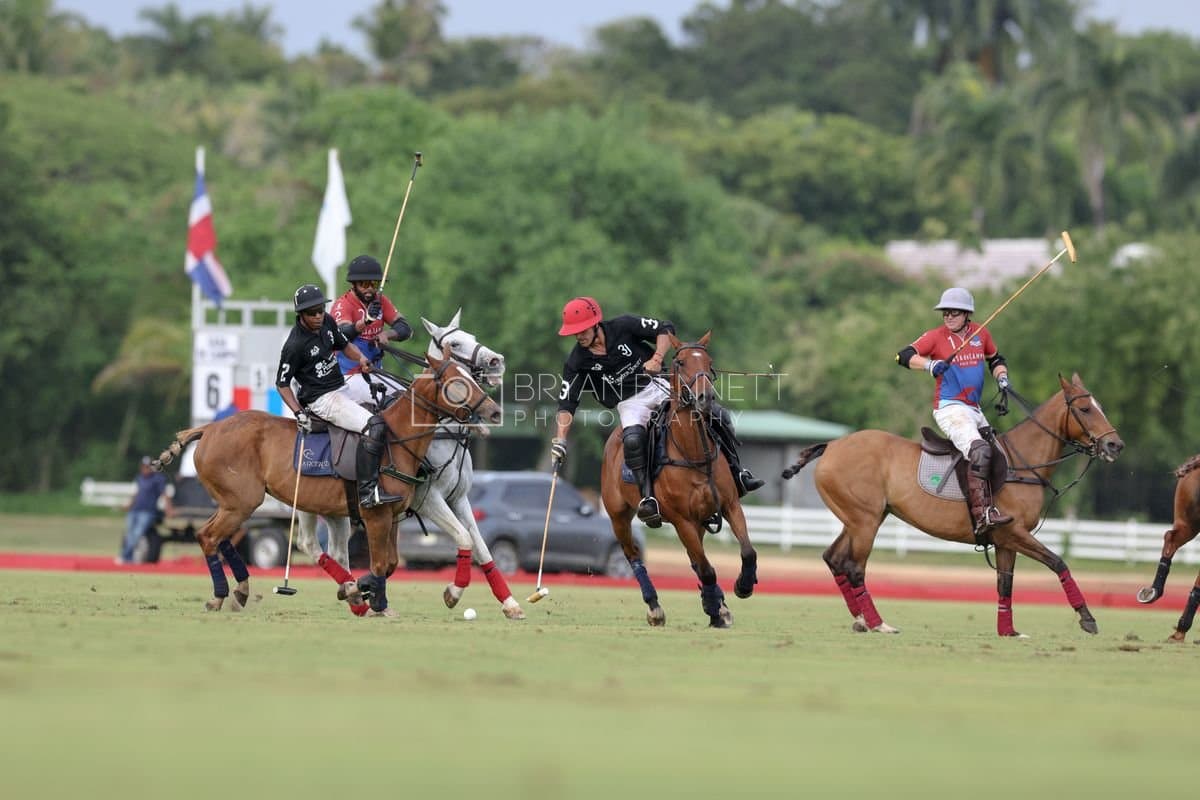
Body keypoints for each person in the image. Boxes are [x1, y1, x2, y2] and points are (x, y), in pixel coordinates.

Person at [550, 296, 763, 528]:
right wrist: (560, 440)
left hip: (659, 384)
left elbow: (664, 328)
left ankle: (737, 473)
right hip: (630, 402)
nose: (579, 336)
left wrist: (657, 358)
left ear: (595, 324)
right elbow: (567, 402)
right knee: (632, 439)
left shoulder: (623, 326)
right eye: (575, 333)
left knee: (718, 414)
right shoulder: (577, 361)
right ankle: (648, 498)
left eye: (582, 330)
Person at [897, 286, 1014, 536]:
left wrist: (1002, 377)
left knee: (999, 455)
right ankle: (982, 514)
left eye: (954, 312)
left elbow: (996, 359)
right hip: (950, 408)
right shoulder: (935, 337)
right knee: (979, 451)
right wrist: (929, 365)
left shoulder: (981, 333)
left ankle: (998, 505)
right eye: (945, 312)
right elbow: (903, 356)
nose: (948, 316)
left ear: (967, 314)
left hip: (974, 409)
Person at [276, 283, 404, 509]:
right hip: (321, 399)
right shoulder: (294, 345)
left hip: (341, 387)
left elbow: (344, 345)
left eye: (320, 309)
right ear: (301, 314)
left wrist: (361, 358)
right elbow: (282, 384)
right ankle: (368, 492)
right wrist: (298, 412)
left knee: (392, 410)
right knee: (374, 426)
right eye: (312, 312)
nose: (318, 315)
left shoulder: (327, 322)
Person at [330, 254, 413, 406]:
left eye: (374, 284)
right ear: (353, 284)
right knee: (395, 403)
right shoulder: (343, 305)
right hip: (348, 377)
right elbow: (342, 334)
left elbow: (405, 328)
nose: (369, 289)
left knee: (412, 398)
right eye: (364, 284)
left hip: (376, 373)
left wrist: (387, 334)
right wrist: (366, 321)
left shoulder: (381, 301)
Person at [118, 456, 173, 564]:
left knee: (137, 533)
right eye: (144, 467)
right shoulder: (139, 478)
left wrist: (168, 508)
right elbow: (136, 494)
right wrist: (128, 505)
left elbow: (164, 494)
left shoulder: (158, 479)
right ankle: (128, 557)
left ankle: (124, 556)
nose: (145, 469)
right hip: (134, 510)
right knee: (129, 534)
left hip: (147, 511)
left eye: (148, 467)